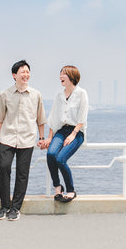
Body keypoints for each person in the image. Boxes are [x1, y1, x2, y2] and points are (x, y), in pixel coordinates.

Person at [0, 59, 46, 221]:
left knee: (22, 174)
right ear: (14, 75)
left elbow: (40, 119)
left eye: (27, 71)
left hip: (27, 139)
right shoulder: (5, 94)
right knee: (4, 168)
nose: (26, 74)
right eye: (22, 72)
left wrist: (41, 138)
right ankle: (4, 206)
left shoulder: (36, 95)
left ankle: (15, 208)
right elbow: (0, 118)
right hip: (7, 138)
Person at [42, 65, 89, 203]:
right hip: (62, 131)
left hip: (77, 132)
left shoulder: (81, 93)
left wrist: (73, 134)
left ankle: (71, 190)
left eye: (64, 74)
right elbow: (54, 118)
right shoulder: (59, 95)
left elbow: (82, 117)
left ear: (72, 76)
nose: (61, 76)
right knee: (51, 154)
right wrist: (49, 138)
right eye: (60, 73)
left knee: (61, 159)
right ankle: (57, 187)